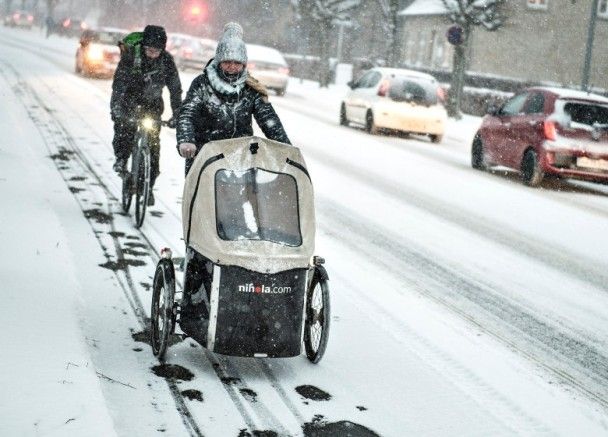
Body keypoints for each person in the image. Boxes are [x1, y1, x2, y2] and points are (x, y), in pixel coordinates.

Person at [176, 22, 290, 175]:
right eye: (227, 62)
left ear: (244, 64)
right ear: (219, 61)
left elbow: (269, 120)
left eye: (237, 63)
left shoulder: (251, 88)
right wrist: (186, 140)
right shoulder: (202, 84)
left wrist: (286, 148)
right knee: (202, 198)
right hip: (204, 158)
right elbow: (187, 114)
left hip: (241, 157)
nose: (232, 67)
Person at [110, 25, 182, 206]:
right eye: (149, 50)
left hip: (153, 105)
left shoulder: (166, 61)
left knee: (154, 145)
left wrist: (177, 114)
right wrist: (116, 108)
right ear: (143, 47)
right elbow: (119, 85)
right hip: (130, 101)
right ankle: (121, 158)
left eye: (156, 51)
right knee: (124, 129)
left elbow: (175, 89)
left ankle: (148, 186)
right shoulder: (131, 57)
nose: (152, 54)